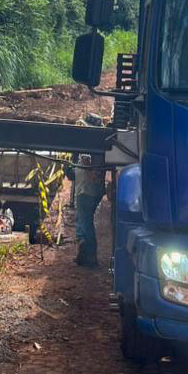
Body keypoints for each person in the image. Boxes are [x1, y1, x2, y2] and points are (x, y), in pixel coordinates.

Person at [74, 113, 108, 267]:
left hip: (87, 191)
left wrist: (88, 167)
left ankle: (89, 256)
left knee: (86, 224)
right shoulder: (93, 146)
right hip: (86, 189)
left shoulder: (94, 149)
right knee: (84, 222)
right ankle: (85, 255)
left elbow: (96, 175)